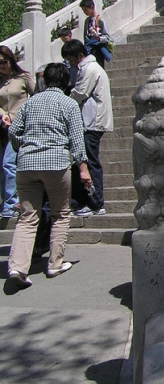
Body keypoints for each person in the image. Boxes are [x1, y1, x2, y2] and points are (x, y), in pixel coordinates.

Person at [6, 63, 91, 291]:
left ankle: (17, 267)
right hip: (56, 164)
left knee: (27, 217)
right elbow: (77, 139)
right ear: (66, 82)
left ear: (44, 81)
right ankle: (55, 263)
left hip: (27, 164)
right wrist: (83, 169)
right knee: (60, 214)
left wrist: (23, 146)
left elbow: (14, 131)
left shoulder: (30, 102)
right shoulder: (69, 104)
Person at [60, 40, 112, 218]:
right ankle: (84, 202)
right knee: (85, 161)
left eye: (71, 59)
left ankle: (95, 203)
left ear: (79, 55)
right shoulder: (91, 68)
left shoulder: (89, 69)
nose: (71, 64)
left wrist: (67, 96)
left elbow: (80, 93)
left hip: (92, 121)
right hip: (91, 121)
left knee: (89, 162)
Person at [0, 47, 35, 218]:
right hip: (2, 127)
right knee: (3, 166)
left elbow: (36, 97)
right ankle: (6, 202)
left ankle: (11, 203)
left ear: (10, 60)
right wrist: (2, 114)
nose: (1, 66)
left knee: (8, 163)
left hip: (19, 128)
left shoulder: (23, 78)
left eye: (3, 62)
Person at [80, 0, 111, 69]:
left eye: (86, 10)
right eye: (83, 11)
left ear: (92, 7)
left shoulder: (100, 20)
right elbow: (85, 36)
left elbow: (107, 37)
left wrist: (99, 38)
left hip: (98, 49)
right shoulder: (87, 21)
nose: (85, 12)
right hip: (89, 50)